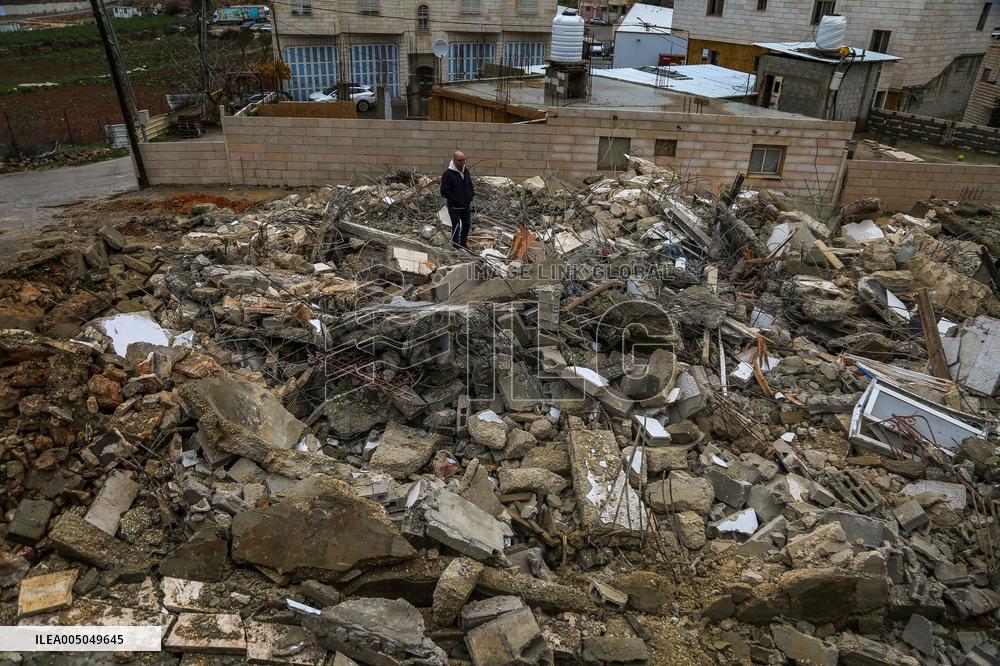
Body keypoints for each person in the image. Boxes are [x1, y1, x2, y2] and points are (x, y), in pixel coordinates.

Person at [440, 150, 474, 249]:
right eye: (460, 160)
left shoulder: (465, 171)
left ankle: (463, 245)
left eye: (464, 160)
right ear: (454, 160)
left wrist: (471, 194)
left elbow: (469, 184)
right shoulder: (448, 174)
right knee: (456, 226)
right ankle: (456, 246)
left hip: (466, 205)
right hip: (454, 206)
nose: (462, 162)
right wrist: (454, 199)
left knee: (466, 225)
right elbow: (444, 191)